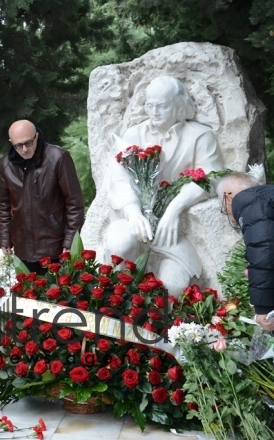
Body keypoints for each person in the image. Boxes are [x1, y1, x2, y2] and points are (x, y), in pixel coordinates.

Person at [105, 76, 224, 295]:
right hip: (136, 221)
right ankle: (116, 306)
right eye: (150, 105)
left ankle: (166, 327)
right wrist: (133, 212)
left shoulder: (200, 135)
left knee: (173, 286)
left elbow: (211, 177)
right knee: (119, 246)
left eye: (162, 106)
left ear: (179, 106)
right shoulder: (134, 134)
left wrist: (175, 208)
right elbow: (118, 179)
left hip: (175, 231)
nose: (154, 111)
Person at [0, 119, 85, 274]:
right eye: (18, 145)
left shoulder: (58, 157)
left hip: (55, 245)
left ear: (36, 136)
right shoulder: (5, 163)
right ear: (11, 142)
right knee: (28, 296)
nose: (24, 149)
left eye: (28, 143)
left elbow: (75, 203)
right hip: (22, 246)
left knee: (55, 296)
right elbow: (4, 205)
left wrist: (71, 240)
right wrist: (5, 236)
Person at [216, 173, 274, 330]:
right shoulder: (266, 195)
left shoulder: (248, 201)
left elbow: (264, 251)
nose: (231, 216)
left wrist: (263, 309)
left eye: (224, 210)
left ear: (227, 196)